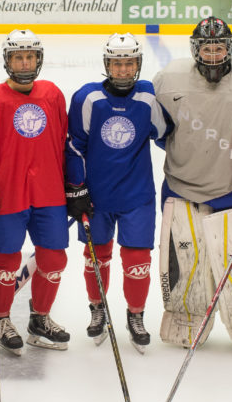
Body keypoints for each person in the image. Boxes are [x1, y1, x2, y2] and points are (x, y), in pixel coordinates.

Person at [151, 16, 232, 351]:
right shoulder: (167, 80)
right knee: (185, 265)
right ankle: (185, 323)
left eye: (219, 47)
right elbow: (162, 131)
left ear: (229, 48)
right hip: (180, 186)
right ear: (196, 49)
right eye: (207, 47)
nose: (214, 54)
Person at [64, 33, 169, 353]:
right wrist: (77, 188)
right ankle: (98, 310)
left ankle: (135, 316)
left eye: (129, 64)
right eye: (117, 64)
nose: (123, 70)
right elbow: (73, 146)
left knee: (138, 259)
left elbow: (165, 135)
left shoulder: (148, 97)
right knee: (97, 256)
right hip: (96, 197)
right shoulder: (87, 98)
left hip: (137, 195)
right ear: (106, 65)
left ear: (138, 64)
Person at [0, 29, 70, 355]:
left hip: (49, 193)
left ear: (38, 59)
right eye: (18, 56)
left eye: (30, 56)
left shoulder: (53, 94)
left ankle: (39, 319)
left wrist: (73, 185)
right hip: (8, 192)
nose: (25, 62)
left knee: (54, 258)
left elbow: (62, 143)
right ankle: (2, 319)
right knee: (5, 261)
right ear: (7, 60)